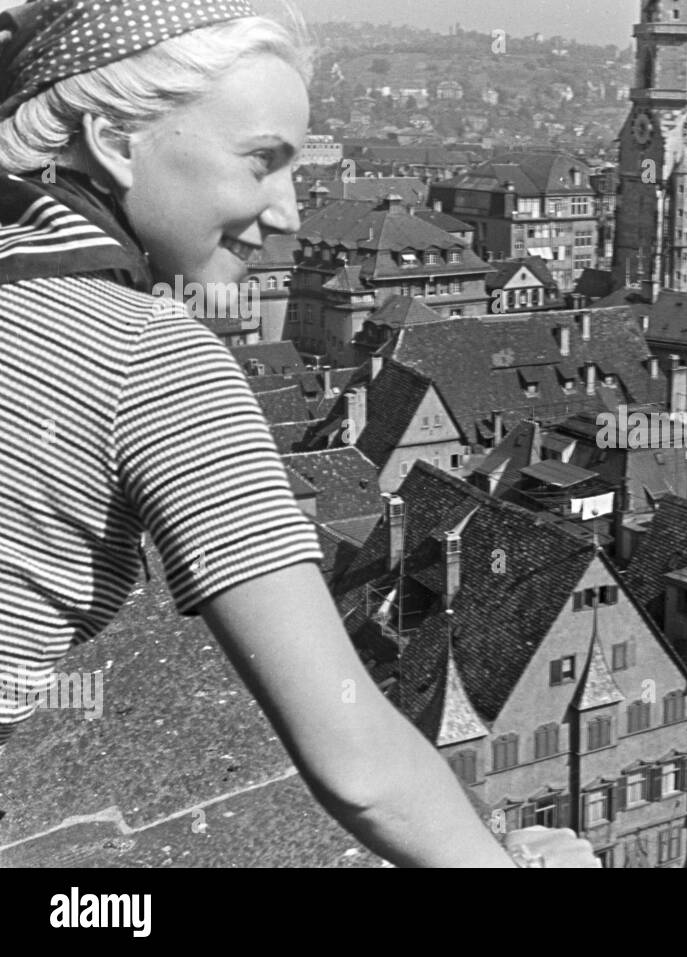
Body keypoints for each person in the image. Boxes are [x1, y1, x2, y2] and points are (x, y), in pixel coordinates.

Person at [0, 0, 596, 869]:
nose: (287, 212)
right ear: (113, 138)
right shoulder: (149, 357)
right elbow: (357, 761)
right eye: (262, 163)